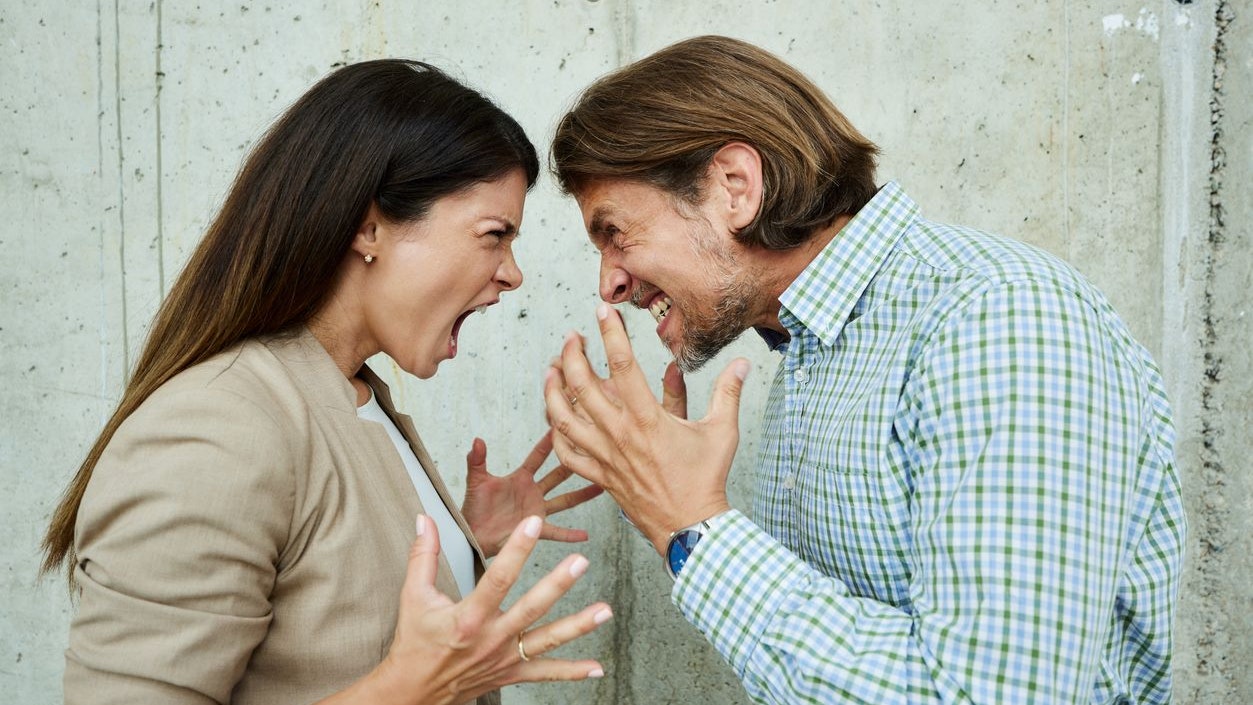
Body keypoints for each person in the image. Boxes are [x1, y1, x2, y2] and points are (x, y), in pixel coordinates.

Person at [542, 35, 1186, 704]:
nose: (609, 283)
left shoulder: (996, 316)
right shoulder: (814, 347)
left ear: (734, 187)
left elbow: (991, 694)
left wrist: (691, 526)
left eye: (615, 232)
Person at [41, 59, 611, 705]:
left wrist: (457, 542)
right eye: (492, 235)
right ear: (367, 227)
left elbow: (324, 617)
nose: (512, 274)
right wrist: (404, 690)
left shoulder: (348, 393)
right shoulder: (214, 427)